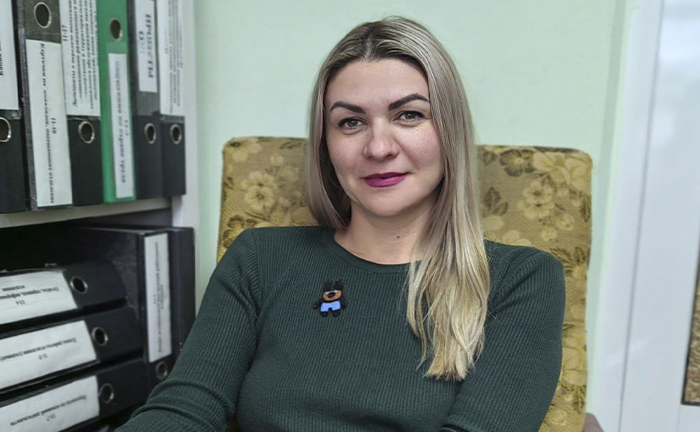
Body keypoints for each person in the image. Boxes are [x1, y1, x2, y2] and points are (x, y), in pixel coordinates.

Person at [116, 16, 565, 432]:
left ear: (450, 131)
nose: (378, 147)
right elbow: (184, 408)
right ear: (326, 145)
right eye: (350, 122)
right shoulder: (259, 259)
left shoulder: (519, 278)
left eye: (409, 115)